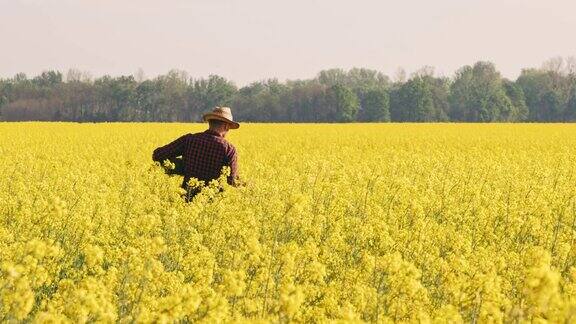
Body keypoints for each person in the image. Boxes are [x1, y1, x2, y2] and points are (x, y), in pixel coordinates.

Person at [152, 106, 241, 201]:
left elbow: (158, 155)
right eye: (229, 128)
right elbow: (232, 181)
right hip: (212, 204)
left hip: (186, 200)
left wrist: (180, 166)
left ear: (210, 122)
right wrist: (248, 187)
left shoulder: (189, 140)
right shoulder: (229, 149)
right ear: (226, 126)